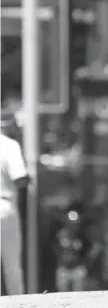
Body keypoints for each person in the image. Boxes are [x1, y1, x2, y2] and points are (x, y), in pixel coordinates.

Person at [0, 123, 30, 295]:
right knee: (11, 264)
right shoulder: (9, 145)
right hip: (4, 205)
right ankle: (18, 303)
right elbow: (19, 179)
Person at [54, 203, 101, 292]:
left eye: (75, 224)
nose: (73, 226)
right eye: (70, 223)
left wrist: (86, 264)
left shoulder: (82, 236)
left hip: (77, 270)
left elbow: (95, 248)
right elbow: (55, 250)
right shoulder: (60, 235)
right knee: (62, 297)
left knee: (78, 296)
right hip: (64, 270)